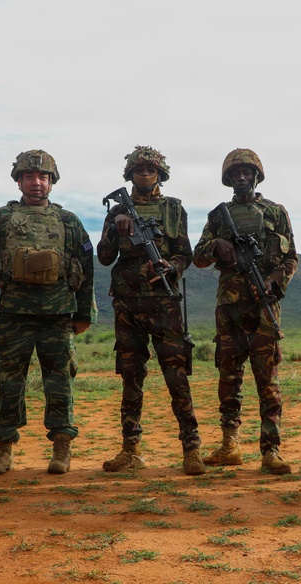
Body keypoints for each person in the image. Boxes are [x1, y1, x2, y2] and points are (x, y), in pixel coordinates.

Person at [0, 150, 96, 476]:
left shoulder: (69, 221)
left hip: (58, 315)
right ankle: (3, 447)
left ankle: (62, 445)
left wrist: (83, 312)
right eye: (29, 176)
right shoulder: (0, 219)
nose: (36, 182)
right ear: (19, 180)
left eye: (43, 177)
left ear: (52, 181)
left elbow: (85, 266)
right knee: (8, 382)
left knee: (60, 381)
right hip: (14, 315)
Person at [97, 146, 205, 475]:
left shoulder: (173, 208)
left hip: (163, 303)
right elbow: (104, 257)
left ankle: (192, 449)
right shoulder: (116, 211)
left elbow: (185, 254)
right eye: (139, 169)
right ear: (130, 174)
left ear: (160, 174)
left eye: (151, 169)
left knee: (177, 376)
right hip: (127, 304)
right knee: (131, 377)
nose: (145, 174)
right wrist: (116, 228)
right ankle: (131, 450)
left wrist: (171, 267)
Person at [193, 148, 297, 475]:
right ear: (228, 178)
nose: (241, 177)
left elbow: (291, 258)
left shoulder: (275, 212)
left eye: (246, 172)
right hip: (229, 309)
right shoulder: (218, 215)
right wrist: (216, 246)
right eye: (235, 173)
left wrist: (272, 281)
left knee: (268, 382)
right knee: (229, 379)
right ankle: (230, 446)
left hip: (264, 308)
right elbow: (198, 257)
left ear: (256, 176)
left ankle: (271, 450)